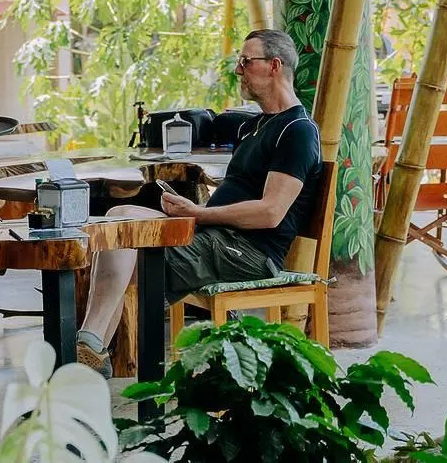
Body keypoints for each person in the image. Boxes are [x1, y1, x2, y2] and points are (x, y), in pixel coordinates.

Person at [75, 29, 322, 378]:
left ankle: (88, 350)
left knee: (128, 246)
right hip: (215, 238)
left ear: (274, 66)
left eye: (245, 61)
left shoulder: (297, 130)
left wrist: (199, 214)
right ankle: (92, 349)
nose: (238, 70)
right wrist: (191, 213)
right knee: (119, 217)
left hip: (247, 252)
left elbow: (270, 213)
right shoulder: (254, 126)